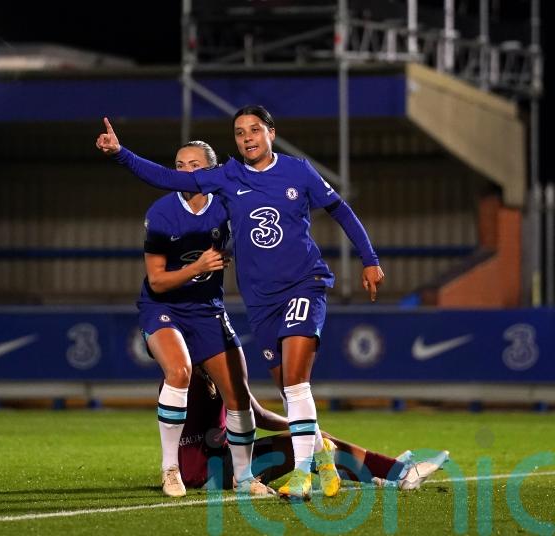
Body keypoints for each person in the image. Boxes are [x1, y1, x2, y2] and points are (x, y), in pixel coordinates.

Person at [97, 105, 385, 501]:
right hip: (257, 301)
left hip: (301, 284)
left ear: (270, 132)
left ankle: (296, 473)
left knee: (293, 382)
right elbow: (164, 181)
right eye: (239, 132)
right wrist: (120, 153)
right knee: (286, 385)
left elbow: (341, 211)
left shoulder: (295, 172)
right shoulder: (221, 183)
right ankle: (322, 454)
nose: (247, 137)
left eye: (254, 130)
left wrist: (369, 259)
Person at [140, 141, 270, 497]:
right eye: (179, 165)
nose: (185, 172)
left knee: (239, 396)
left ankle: (244, 478)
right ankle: (171, 470)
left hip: (207, 309)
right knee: (179, 371)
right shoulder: (162, 212)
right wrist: (197, 267)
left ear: (210, 172)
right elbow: (157, 280)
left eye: (193, 165)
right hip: (163, 306)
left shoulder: (227, 206)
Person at [180, 367, 449, 492]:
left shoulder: (207, 368)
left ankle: (383, 473)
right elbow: (255, 417)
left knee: (313, 442)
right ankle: (398, 473)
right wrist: (303, 430)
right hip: (211, 472)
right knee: (310, 445)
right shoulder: (191, 375)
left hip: (218, 462)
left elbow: (258, 415)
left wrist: (303, 428)